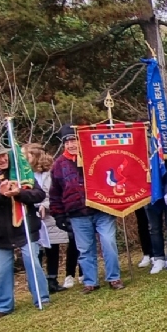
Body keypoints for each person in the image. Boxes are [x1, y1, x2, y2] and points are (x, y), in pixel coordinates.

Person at [0, 136, 50, 316]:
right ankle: (3, 306)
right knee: (0, 271)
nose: (3, 159)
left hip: (25, 227)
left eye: (4, 154)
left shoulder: (20, 169)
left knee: (33, 263)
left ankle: (42, 297)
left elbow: (38, 194)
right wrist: (0, 195)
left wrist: (20, 193)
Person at [48, 125, 123, 293]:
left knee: (108, 243)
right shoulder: (58, 165)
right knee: (85, 249)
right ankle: (90, 281)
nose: (71, 145)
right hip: (77, 213)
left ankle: (114, 277)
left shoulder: (94, 156)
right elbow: (55, 193)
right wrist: (59, 215)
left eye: (74, 140)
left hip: (102, 209)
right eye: (67, 142)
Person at [25, 143, 73, 295]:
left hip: (49, 217)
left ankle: (52, 280)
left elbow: (57, 193)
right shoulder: (25, 175)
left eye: (28, 155)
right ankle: (38, 282)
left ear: (36, 156)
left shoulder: (51, 174)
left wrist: (46, 205)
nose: (25, 159)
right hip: (32, 216)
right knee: (36, 251)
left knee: (52, 249)